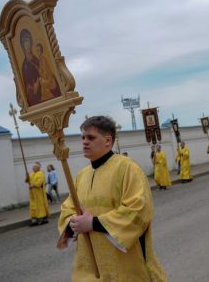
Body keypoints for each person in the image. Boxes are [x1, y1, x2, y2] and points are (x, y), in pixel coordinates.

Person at [57, 116, 167, 281]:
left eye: (91, 137)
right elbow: (68, 207)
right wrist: (72, 221)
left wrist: (92, 223)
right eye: (83, 137)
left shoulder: (127, 168)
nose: (84, 142)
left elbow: (138, 210)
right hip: (90, 269)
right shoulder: (82, 175)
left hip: (125, 266)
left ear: (108, 140)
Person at [20, 28, 41, 106]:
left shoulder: (37, 60)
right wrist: (33, 88)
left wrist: (39, 82)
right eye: (25, 42)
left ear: (31, 42)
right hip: (35, 99)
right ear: (22, 45)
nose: (27, 44)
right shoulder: (24, 66)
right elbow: (27, 88)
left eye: (28, 41)